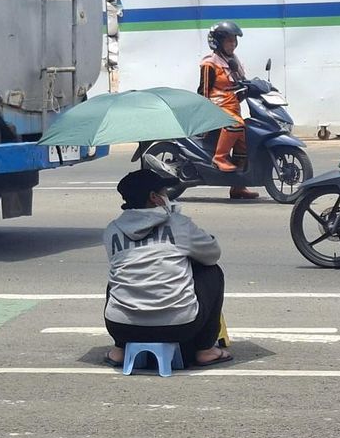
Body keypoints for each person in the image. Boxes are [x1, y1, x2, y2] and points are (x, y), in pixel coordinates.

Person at [103, 169, 233, 368]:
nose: (168, 197)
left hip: (122, 327)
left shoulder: (113, 229)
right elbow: (212, 254)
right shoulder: (178, 223)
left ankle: (119, 350)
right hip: (179, 327)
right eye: (164, 192)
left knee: (118, 279)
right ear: (155, 198)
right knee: (212, 272)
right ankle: (206, 350)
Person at [199, 21, 259, 200]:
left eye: (234, 41)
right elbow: (204, 90)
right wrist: (205, 111)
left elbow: (243, 81)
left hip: (233, 105)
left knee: (245, 138)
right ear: (217, 43)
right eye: (228, 41)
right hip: (217, 106)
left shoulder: (234, 61)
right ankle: (219, 157)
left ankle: (238, 187)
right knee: (236, 124)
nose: (232, 44)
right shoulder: (210, 64)